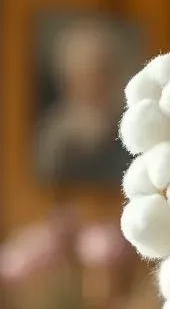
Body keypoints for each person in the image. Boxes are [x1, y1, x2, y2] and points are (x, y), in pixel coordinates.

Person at [36, 19, 132, 186]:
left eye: (98, 73)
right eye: (81, 75)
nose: (91, 85)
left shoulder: (131, 127)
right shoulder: (52, 138)